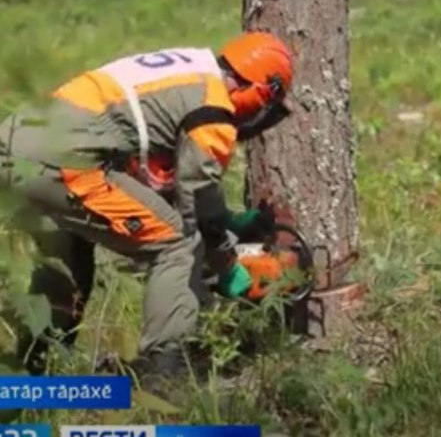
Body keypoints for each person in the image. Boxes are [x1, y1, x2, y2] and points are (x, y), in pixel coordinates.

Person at [0, 30, 294, 382]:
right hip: (64, 162)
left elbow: (159, 187)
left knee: (68, 265)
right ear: (261, 90)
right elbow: (198, 205)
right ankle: (164, 374)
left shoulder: (188, 71)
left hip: (16, 143)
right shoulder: (214, 108)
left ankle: (34, 376)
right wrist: (228, 268)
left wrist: (229, 221)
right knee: (176, 244)